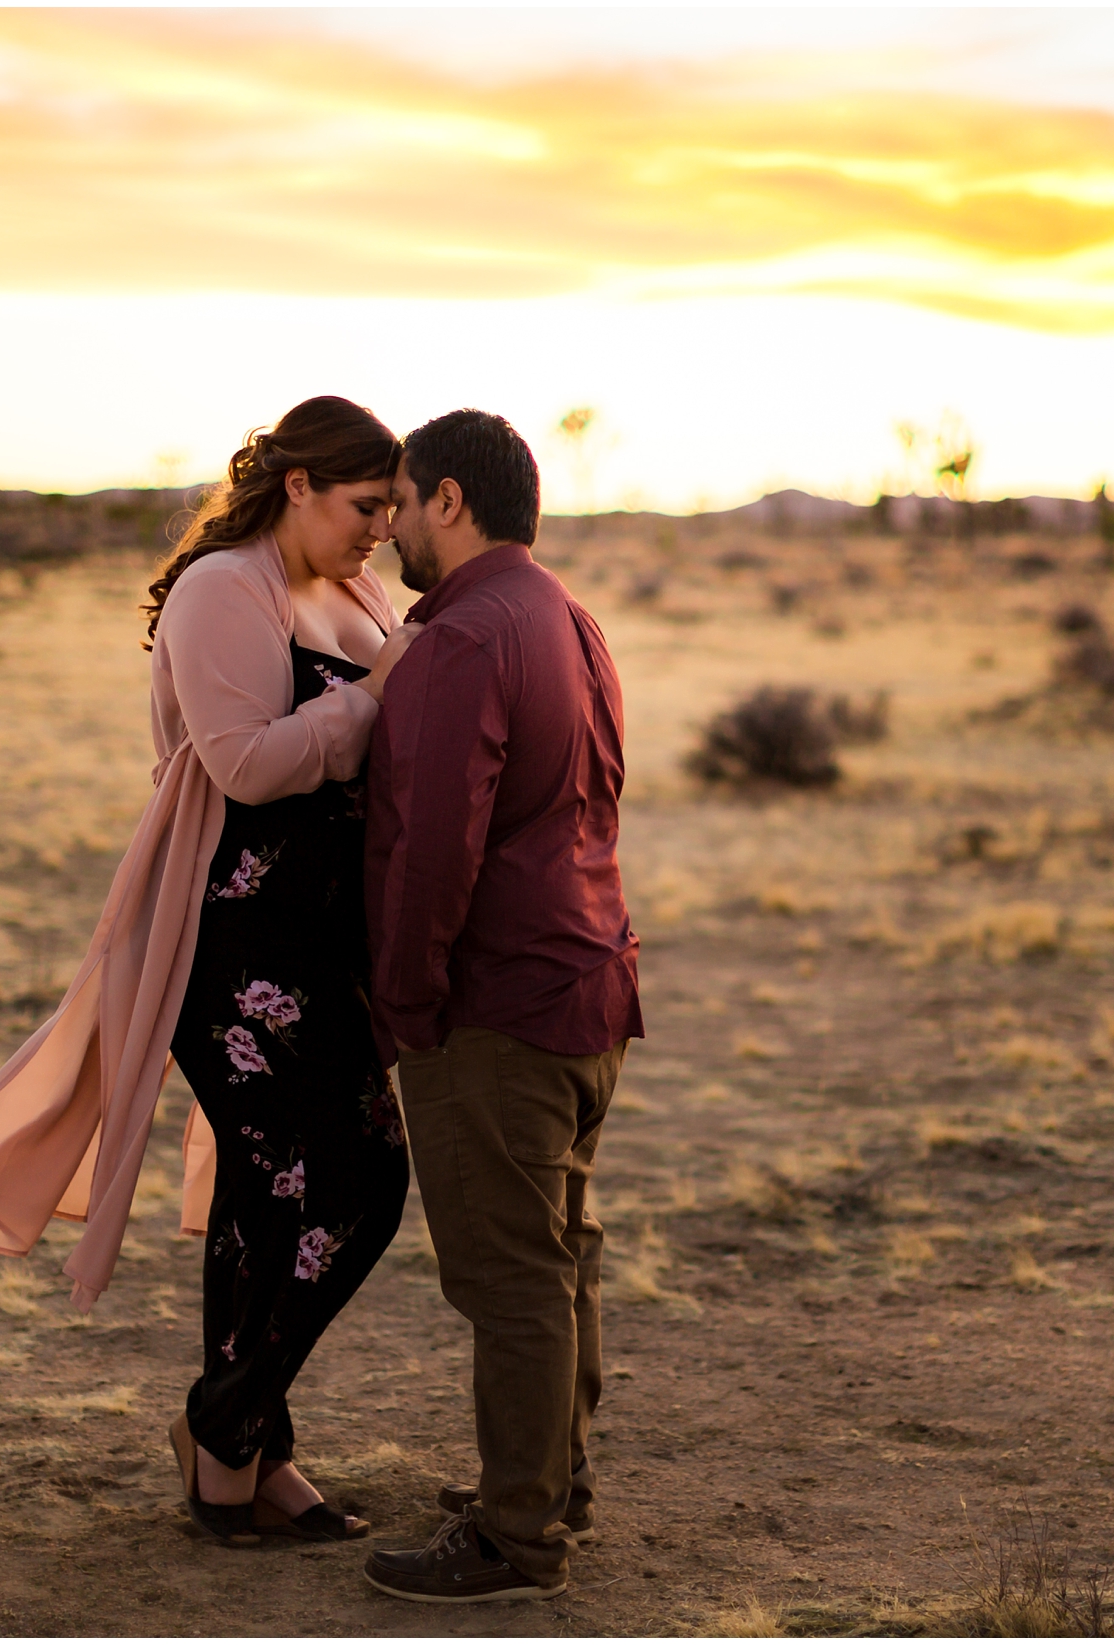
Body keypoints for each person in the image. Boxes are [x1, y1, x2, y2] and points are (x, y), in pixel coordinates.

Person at [0, 395, 422, 1549]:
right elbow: (242, 765)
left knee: (266, 1192)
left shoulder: (354, 592)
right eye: (363, 504)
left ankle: (244, 1462)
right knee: (359, 1182)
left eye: (393, 508)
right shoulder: (221, 589)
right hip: (228, 941)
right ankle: (219, 1420)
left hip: (319, 942)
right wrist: (381, 698)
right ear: (297, 485)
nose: (381, 528)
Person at [358, 409, 644, 1604]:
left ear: (454, 502)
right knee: (559, 1254)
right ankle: (547, 1483)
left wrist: (405, 1001)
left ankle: (518, 1539)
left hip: (497, 1007)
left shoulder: (463, 638)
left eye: (404, 503)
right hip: (587, 983)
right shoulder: (568, 620)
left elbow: (433, 849)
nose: (390, 533)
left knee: (509, 1273)